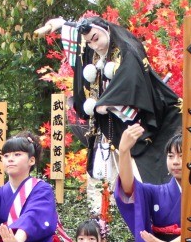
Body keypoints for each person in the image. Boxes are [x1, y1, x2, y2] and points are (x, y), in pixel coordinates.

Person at [55, 15, 183, 185]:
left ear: (106, 29)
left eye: (96, 39)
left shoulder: (127, 49)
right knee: (111, 182)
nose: (95, 45)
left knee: (144, 177)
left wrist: (107, 102)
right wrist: (62, 25)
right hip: (111, 127)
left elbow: (130, 77)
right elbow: (80, 36)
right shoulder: (96, 53)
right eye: (90, 43)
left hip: (141, 118)